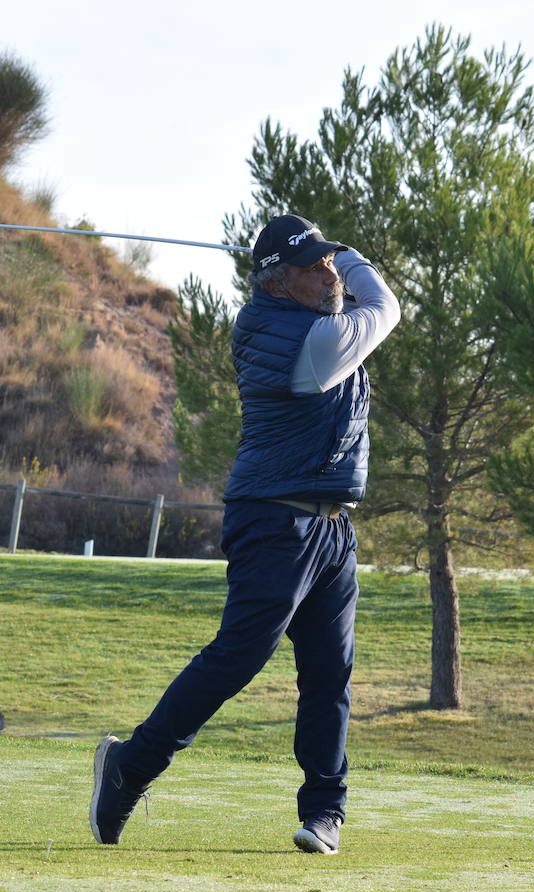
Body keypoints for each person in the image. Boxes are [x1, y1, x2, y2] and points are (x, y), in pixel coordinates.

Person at [89, 213, 400, 855]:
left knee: (328, 675)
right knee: (237, 658)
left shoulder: (304, 318)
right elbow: (386, 306)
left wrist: (328, 253)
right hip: (276, 521)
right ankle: (130, 767)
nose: (330, 271)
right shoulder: (304, 343)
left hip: (329, 527)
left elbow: (351, 296)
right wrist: (358, 252)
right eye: (315, 265)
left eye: (331, 261)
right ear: (280, 283)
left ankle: (323, 812)